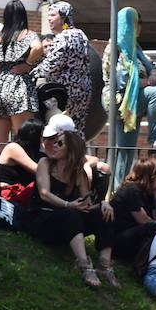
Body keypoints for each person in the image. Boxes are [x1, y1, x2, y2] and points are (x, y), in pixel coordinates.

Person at [23, 117, 111, 288]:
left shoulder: (77, 172)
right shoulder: (45, 163)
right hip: (41, 219)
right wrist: (68, 205)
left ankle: (105, 266)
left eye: (59, 143)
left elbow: (87, 204)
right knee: (71, 214)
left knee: (104, 212)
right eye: (53, 142)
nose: (53, 146)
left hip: (66, 220)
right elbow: (44, 194)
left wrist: (103, 204)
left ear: (71, 147)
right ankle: (84, 265)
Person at [110, 7, 156, 177]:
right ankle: (154, 139)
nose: (139, 27)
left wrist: (151, 74)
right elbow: (120, 80)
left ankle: (120, 188)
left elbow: (150, 65)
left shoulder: (134, 47)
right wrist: (146, 82)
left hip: (134, 101)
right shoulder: (117, 48)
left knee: (127, 149)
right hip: (124, 102)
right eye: (136, 23)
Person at [0, 0, 42, 146]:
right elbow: (38, 48)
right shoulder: (27, 34)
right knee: (25, 140)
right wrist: (27, 64)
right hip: (19, 86)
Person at [34, 2, 92, 125]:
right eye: (49, 15)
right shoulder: (81, 34)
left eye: (53, 15)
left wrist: (32, 72)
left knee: (60, 130)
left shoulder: (64, 37)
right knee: (76, 129)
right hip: (83, 92)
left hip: (64, 94)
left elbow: (50, 67)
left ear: (63, 17)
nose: (49, 19)